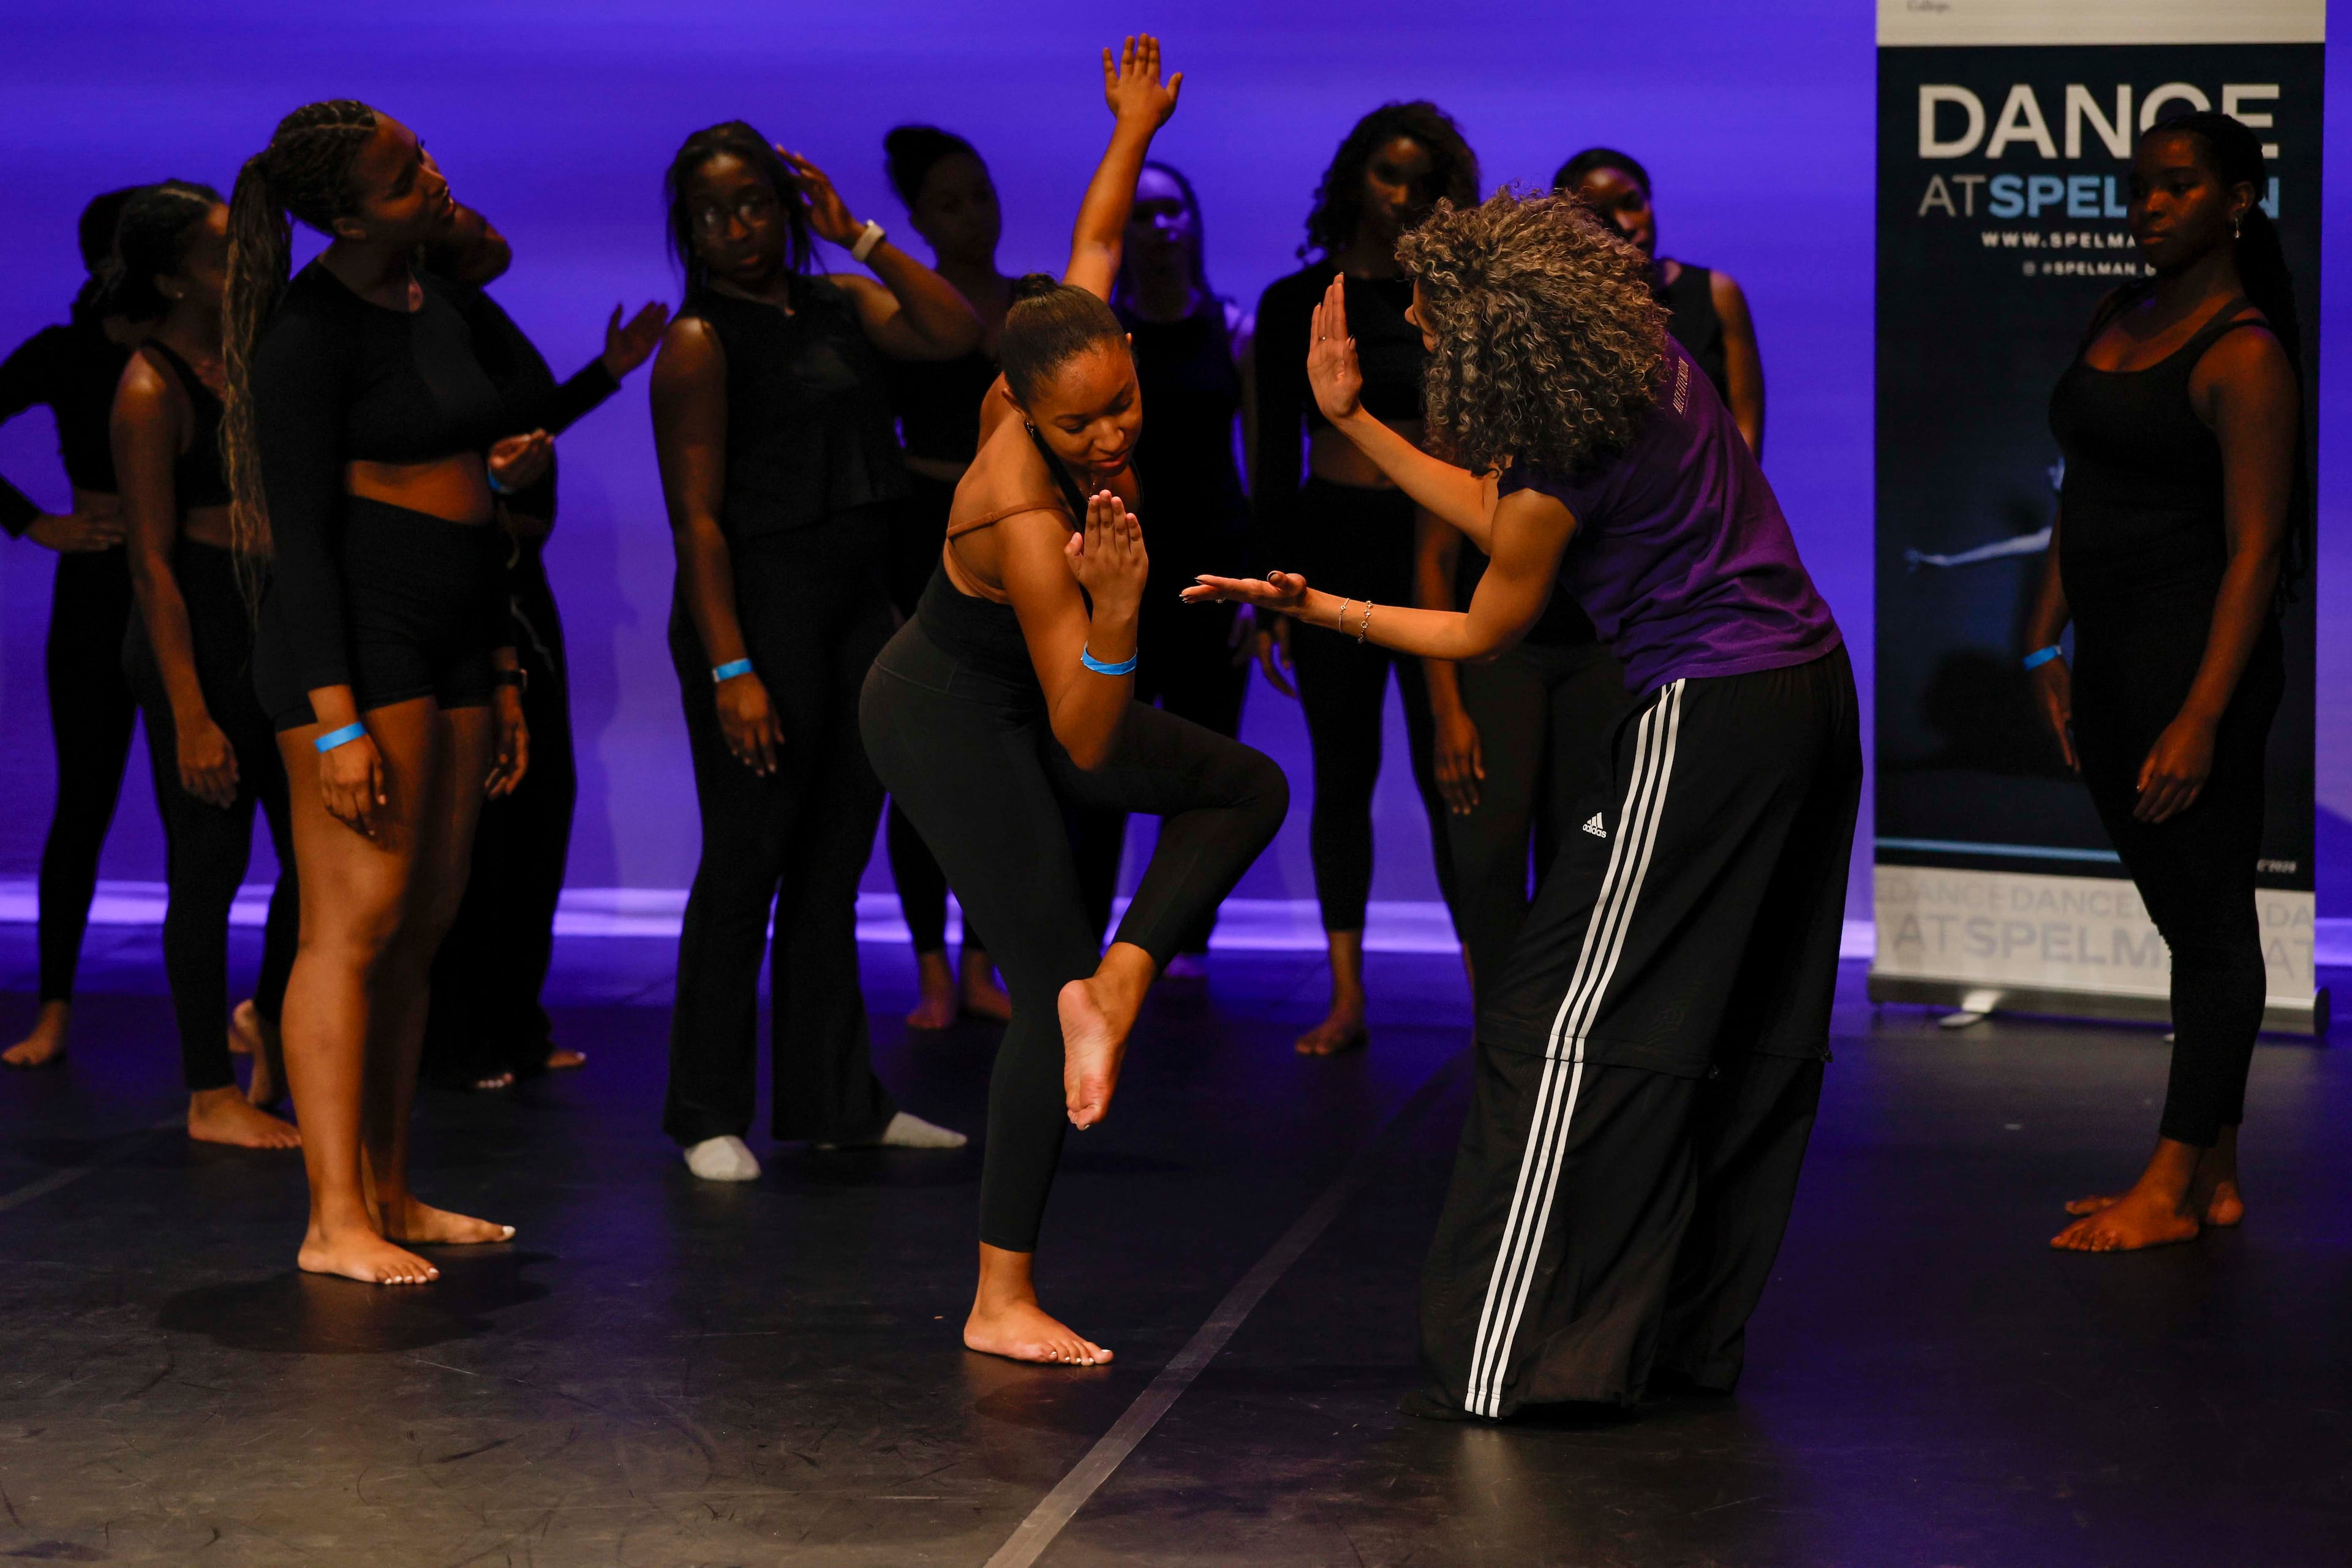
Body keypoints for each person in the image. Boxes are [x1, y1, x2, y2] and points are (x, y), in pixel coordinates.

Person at [1189, 190, 1856, 1416]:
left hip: (1709, 712)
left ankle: (1524, 1360)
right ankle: (1680, 1337)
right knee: (1739, 1024)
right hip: (1803, 692)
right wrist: (1356, 423)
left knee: (1555, 1027)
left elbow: (1486, 623)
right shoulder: (1633, 355)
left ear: (1504, 325)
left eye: (1437, 324)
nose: (1426, 339)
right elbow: (1507, 516)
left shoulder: (1562, 447)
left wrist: (1316, 605)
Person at [862, 37, 1287, 1367]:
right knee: (1043, 975)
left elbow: (1094, 246)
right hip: (944, 712)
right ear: (1028, 416)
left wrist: (1129, 128)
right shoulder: (1030, 517)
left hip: (1025, 697)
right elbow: (1087, 736)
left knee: (1248, 785)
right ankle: (1002, 1295)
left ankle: (1126, 974)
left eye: (1127, 404)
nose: (1114, 434)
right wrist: (1113, 612)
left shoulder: (1058, 348)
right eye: (1086, 424)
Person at [225, 100, 548, 1285]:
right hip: (361, 644)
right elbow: (298, 547)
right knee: (350, 931)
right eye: (404, 173)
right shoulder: (307, 337)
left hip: (463, 630)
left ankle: (393, 1190)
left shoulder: (437, 295)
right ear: (344, 212)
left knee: (420, 931)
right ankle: (330, 1216)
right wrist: (337, 719)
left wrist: (506, 668)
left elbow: (517, 409)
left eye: (425, 153)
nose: (435, 172)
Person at [650, 119, 980, 1184]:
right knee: (748, 861)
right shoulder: (699, 341)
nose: (735, 227)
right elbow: (697, 521)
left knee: (836, 864)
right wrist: (732, 668)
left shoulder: (837, 299)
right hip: (756, 610)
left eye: (752, 203)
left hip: (857, 605)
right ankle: (704, 1109)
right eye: (710, 213)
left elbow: (954, 330)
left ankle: (841, 1102)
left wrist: (863, 235)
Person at [2030, 114, 2304, 1254]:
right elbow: (2079, 493)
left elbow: (2256, 553)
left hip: (2200, 675)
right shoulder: (2118, 314)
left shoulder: (2244, 353)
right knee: (2185, 919)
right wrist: (2046, 642)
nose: (2147, 204)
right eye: (2138, 186)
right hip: (2110, 665)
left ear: (2237, 201)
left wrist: (2200, 715)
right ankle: (2217, 1175)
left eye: (2177, 187)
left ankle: (2169, 1184)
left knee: (2210, 926)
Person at [418, 204, 668, 1092]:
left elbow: (521, 429)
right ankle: (469, 1034)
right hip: (490, 587)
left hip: (518, 584)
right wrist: (492, 507)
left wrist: (606, 374)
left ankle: (514, 1026)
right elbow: (460, 456)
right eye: (453, 212)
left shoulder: (476, 316)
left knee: (536, 812)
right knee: (496, 816)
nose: (482, 218)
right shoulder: (433, 321)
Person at [1250, 102, 1479, 1056]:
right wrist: (1268, 585)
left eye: (1425, 181)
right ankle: (1347, 995)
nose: (1405, 196)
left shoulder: (1453, 301)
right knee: (1343, 772)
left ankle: (1487, 986)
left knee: (1456, 772)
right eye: (1389, 175)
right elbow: (1267, 445)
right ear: (1354, 179)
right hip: (1330, 542)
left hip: (1437, 548)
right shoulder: (1298, 299)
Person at [108, 179, 303, 1147]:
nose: (242, 265)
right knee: (210, 862)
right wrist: (190, 712)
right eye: (222, 252)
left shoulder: (252, 357)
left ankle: (267, 1017)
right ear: (172, 275)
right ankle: (206, 1092)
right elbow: (151, 562)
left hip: (272, 622)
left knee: (312, 859)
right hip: (198, 630)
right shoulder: (150, 384)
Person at [1, 187, 147, 1070]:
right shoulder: (67, 353)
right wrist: (32, 522)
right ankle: (54, 1008)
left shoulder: (197, 350)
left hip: (193, 582)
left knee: (202, 804)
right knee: (85, 799)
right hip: (99, 586)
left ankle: (224, 1026)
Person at [878, 123, 1016, 1028]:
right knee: (920, 755)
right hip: (918, 524)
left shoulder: (1028, 304)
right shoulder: (907, 315)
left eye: (981, 194)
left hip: (1010, 533)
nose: (973, 215)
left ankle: (981, 963)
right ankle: (931, 966)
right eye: (949, 202)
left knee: (1002, 756)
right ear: (918, 218)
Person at [1107, 160, 1256, 974]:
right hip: (1122, 575)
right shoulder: (1102, 333)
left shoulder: (1233, 331)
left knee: (1200, 771)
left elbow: (1260, 465)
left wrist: (1256, 587)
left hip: (1210, 580)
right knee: (1101, 766)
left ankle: (1182, 944)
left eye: (1172, 213)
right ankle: (1088, 943)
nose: (1161, 229)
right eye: (1142, 216)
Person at [1412, 509, 1628, 1005]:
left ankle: (1566, 1031)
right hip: (1498, 650)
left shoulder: (1617, 429)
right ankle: (1500, 1032)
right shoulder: (1474, 433)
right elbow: (1434, 559)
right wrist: (1447, 712)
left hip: (1602, 651)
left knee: (1586, 850)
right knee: (1487, 851)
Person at [1555, 148, 1764, 458]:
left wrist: (1727, 500)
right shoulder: (1572, 313)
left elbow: (1746, 427)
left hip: (1716, 498)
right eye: (1599, 217)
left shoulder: (1717, 294)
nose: (1625, 224)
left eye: (1633, 203)